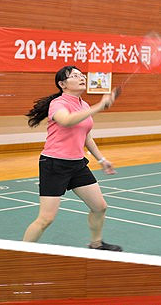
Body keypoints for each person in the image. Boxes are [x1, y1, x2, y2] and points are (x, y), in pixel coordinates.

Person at [23, 66, 122, 251]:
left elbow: (86, 136)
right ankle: (20, 252)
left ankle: (96, 244)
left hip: (77, 164)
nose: (81, 77)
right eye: (75, 76)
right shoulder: (58, 104)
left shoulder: (84, 105)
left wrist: (102, 160)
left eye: (81, 75)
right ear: (63, 84)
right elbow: (67, 120)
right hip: (54, 164)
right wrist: (100, 106)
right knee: (46, 219)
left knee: (99, 207)